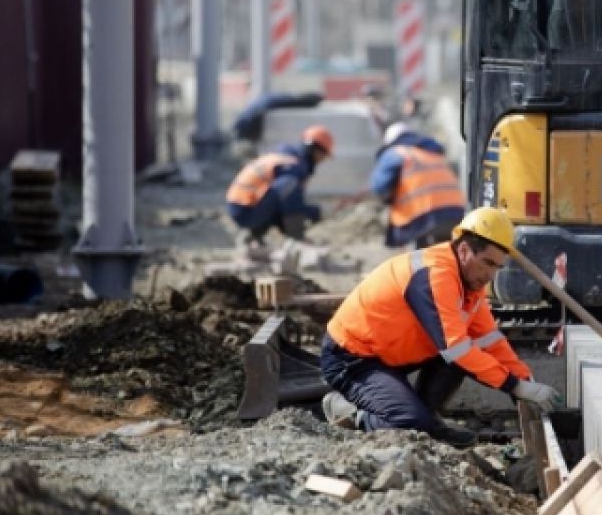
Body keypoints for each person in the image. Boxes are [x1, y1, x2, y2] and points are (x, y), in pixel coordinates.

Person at [318, 207, 561, 447]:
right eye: (487, 263)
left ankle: (428, 420)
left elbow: (490, 342)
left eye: (497, 267)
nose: (490, 275)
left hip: (386, 355)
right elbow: (455, 349)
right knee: (410, 422)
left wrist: (525, 380)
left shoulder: (470, 285)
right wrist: (515, 386)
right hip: (351, 358)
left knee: (467, 355)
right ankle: (348, 409)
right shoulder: (436, 275)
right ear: (464, 250)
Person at [225, 124, 333, 253]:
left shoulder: (285, 157)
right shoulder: (294, 167)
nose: (322, 160)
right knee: (290, 193)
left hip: (240, 205)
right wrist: (309, 213)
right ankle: (297, 242)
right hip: (246, 210)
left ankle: (253, 237)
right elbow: (286, 198)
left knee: (284, 198)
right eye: (323, 155)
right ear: (315, 150)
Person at [371, 121, 467, 248]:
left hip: (420, 215)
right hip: (457, 213)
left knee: (418, 259)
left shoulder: (395, 152)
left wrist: (388, 198)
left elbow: (380, 186)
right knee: (445, 255)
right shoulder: (433, 153)